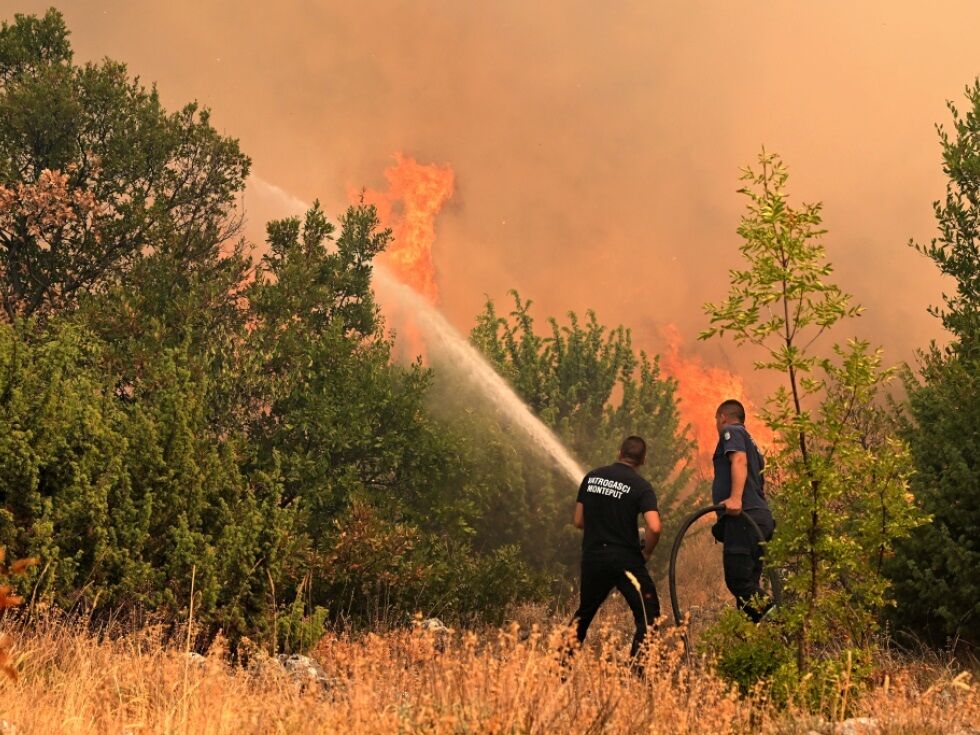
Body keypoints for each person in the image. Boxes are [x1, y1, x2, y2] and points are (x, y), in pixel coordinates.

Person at [570, 435, 662, 660]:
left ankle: (560, 667)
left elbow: (579, 521)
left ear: (619, 453)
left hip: (592, 557)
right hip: (625, 560)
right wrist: (646, 552)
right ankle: (638, 670)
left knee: (584, 614)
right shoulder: (641, 487)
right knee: (648, 615)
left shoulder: (592, 477)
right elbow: (655, 527)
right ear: (643, 460)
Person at [712, 398, 775, 622]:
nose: (717, 426)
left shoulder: (732, 431)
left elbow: (738, 460)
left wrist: (736, 499)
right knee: (749, 587)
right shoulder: (753, 443)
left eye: (716, 421)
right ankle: (760, 641)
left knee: (738, 582)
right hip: (758, 519)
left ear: (723, 417)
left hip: (744, 519)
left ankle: (781, 624)